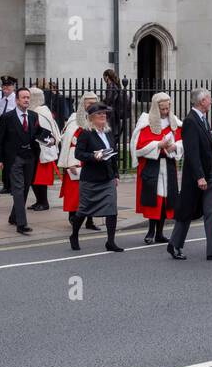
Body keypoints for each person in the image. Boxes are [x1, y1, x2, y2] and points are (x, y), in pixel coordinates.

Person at [169, 88, 212, 261]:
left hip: (210, 174)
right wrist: (200, 176)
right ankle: (174, 245)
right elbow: (192, 152)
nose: (211, 101)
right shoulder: (191, 121)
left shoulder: (203, 119)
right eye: (209, 99)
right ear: (201, 102)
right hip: (195, 176)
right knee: (186, 212)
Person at [130, 92, 182, 245]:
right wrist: (158, 145)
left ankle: (160, 233)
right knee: (154, 201)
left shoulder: (174, 122)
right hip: (153, 166)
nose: (166, 112)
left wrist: (174, 146)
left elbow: (181, 142)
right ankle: (150, 231)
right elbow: (139, 147)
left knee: (167, 201)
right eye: (162, 109)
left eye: (167, 109)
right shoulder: (146, 122)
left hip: (169, 165)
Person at [70, 103, 123, 252]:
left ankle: (110, 242)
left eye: (105, 114)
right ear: (92, 118)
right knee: (83, 211)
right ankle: (74, 235)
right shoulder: (86, 133)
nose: (103, 116)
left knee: (112, 210)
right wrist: (94, 156)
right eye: (100, 114)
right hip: (91, 180)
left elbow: (113, 155)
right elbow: (78, 154)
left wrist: (116, 174)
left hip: (108, 178)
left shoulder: (107, 133)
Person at [0, 87, 38, 234]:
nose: (26, 100)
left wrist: (49, 139)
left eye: (28, 97)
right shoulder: (7, 117)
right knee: (18, 190)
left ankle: (13, 217)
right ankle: (21, 223)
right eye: (23, 97)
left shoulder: (33, 116)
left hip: (30, 157)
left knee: (25, 188)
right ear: (17, 100)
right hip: (14, 159)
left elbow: (38, 133)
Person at [57, 92, 101, 233]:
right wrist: (72, 163)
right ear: (83, 104)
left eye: (94, 102)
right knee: (75, 192)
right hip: (76, 161)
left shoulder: (99, 120)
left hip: (93, 160)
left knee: (92, 192)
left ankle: (90, 220)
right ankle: (73, 216)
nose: (91, 105)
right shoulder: (74, 121)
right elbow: (69, 142)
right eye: (89, 103)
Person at [25, 86, 61, 210]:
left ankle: (43, 202)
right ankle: (39, 201)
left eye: (29, 97)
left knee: (40, 180)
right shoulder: (39, 110)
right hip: (36, 151)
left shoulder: (39, 112)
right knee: (34, 179)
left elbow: (44, 134)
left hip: (42, 151)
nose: (27, 100)